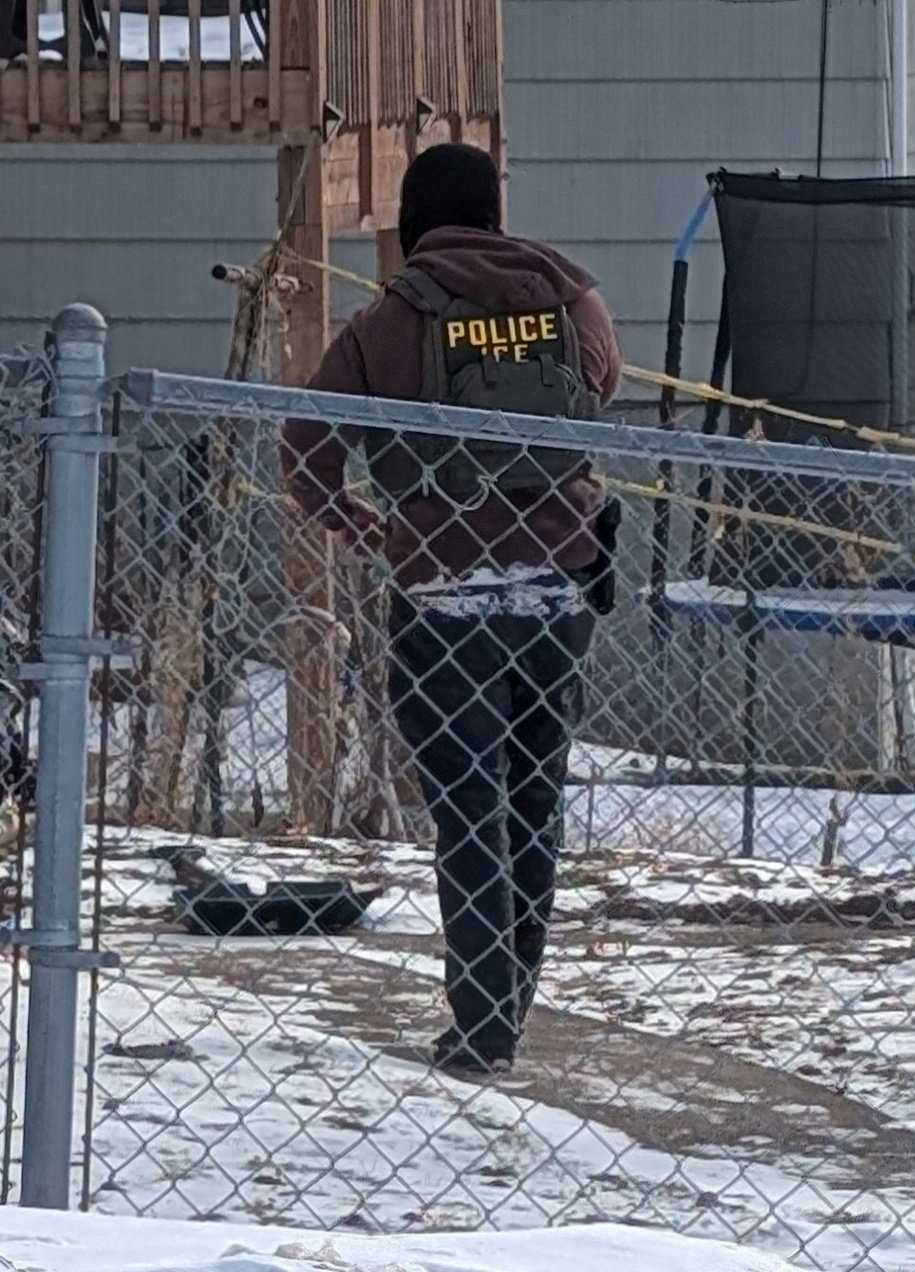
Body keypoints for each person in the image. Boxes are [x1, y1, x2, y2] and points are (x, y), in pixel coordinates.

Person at [280, 143, 624, 1076]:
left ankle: (481, 1024)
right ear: (494, 212)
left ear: (410, 223)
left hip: (441, 593)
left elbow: (306, 441)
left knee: (469, 804)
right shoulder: (571, 299)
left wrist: (354, 520)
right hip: (557, 587)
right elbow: (598, 391)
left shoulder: (388, 320)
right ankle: (511, 999)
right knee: (534, 795)